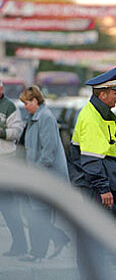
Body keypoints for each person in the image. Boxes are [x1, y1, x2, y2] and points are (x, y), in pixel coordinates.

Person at [19, 86, 71, 262]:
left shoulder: (45, 118)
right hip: (37, 175)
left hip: (45, 176)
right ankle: (54, 241)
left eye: (26, 103)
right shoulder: (35, 117)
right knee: (35, 213)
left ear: (35, 101)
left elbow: (48, 152)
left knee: (38, 214)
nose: (24, 106)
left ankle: (37, 252)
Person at [68, 66, 116, 214]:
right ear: (103, 95)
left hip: (99, 185)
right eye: (115, 92)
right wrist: (103, 188)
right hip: (96, 189)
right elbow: (91, 159)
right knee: (100, 232)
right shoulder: (91, 118)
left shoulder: (99, 114)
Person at [0, 79, 28, 257]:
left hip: (6, 160)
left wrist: (1, 132)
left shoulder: (10, 107)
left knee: (9, 208)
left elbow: (16, 132)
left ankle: (20, 245)